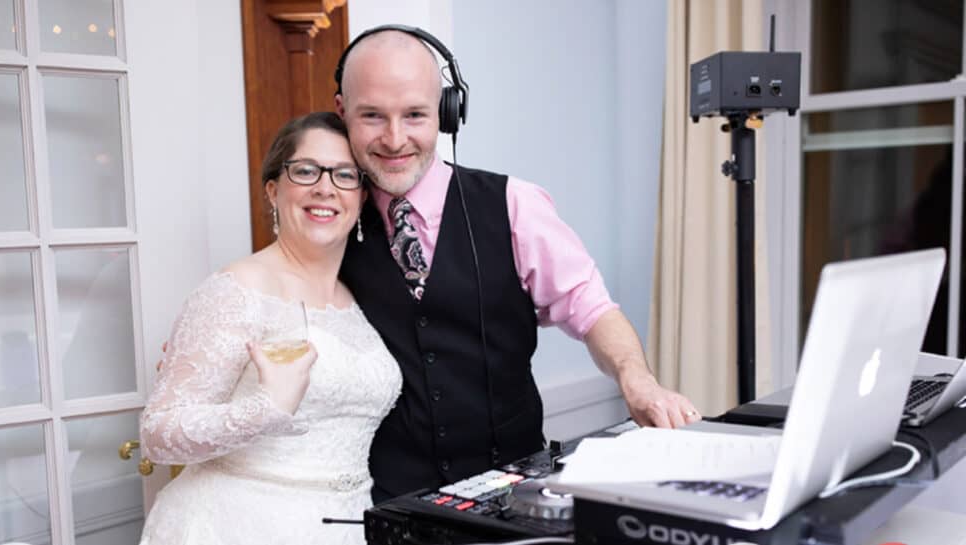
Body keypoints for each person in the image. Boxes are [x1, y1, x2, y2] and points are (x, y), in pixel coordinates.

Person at [335, 27, 702, 502]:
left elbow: (590, 308)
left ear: (447, 112)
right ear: (342, 113)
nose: (395, 137)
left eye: (415, 115)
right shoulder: (331, 222)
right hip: (388, 502)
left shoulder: (515, 205)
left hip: (511, 496)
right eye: (372, 117)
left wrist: (637, 379)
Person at [138, 112, 401, 545]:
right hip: (236, 525)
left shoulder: (356, 299)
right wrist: (265, 410)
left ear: (361, 197)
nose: (325, 187)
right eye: (305, 171)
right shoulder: (237, 289)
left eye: (344, 175)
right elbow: (158, 433)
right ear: (273, 190)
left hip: (345, 524)